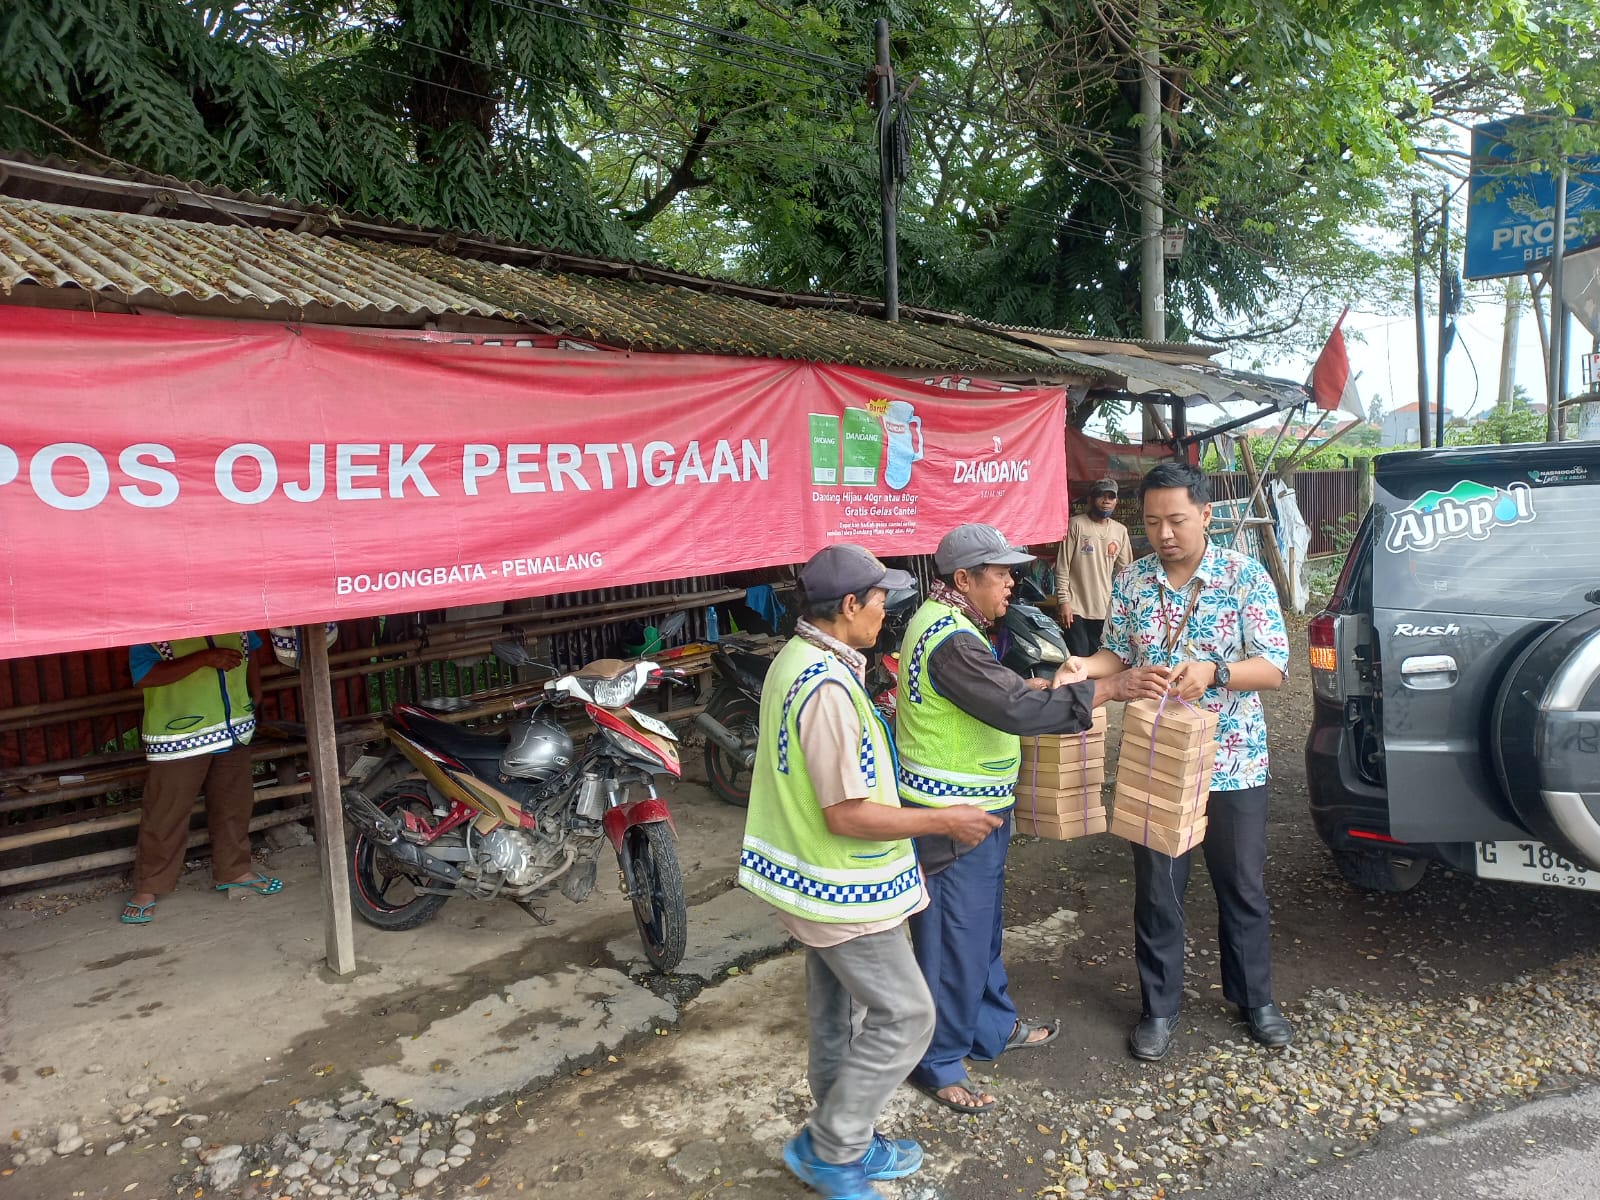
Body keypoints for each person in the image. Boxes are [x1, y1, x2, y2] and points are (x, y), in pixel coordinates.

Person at [738, 544, 1002, 1200]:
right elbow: (847, 814)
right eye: (880, 599)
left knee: (841, 1018)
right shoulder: (825, 688)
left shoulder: (796, 660)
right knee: (909, 1016)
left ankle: (845, 1139)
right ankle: (832, 1151)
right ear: (849, 605)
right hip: (843, 886)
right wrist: (944, 821)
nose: (887, 610)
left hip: (811, 882)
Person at [896, 524, 1169, 1114]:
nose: (1013, 582)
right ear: (963, 579)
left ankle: (990, 1028)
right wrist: (1108, 687)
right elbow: (1012, 707)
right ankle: (938, 1059)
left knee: (982, 930)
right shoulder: (948, 637)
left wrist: (1050, 682)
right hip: (950, 816)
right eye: (1001, 573)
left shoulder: (959, 627)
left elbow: (998, 691)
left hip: (979, 811)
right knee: (952, 938)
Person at [1077, 461, 1292, 1061]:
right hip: (1158, 761)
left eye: (1176, 519)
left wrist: (1216, 672)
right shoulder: (1134, 581)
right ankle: (1160, 1008)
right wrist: (1082, 669)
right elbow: (1115, 652)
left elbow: (1273, 666)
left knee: (1242, 884)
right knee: (1158, 887)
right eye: (1151, 522)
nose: (1164, 532)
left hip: (1234, 760)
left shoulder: (1244, 575)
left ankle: (1256, 1001)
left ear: (1205, 515)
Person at [120, 633, 282, 924]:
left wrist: (254, 693)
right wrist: (203, 659)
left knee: (234, 804)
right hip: (178, 737)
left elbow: (252, 653)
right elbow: (144, 675)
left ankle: (235, 870)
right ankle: (148, 886)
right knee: (165, 813)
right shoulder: (153, 627)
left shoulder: (237, 619)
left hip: (234, 730)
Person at [1055, 477, 1133, 657]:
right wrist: (1064, 602)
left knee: (1101, 661)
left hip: (1105, 610)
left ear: (1116, 501)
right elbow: (1062, 567)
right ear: (1090, 499)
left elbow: (1127, 573)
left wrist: (1125, 607)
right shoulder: (1075, 525)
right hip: (1076, 609)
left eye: (1110, 497)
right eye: (1101, 496)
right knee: (1079, 661)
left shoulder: (1120, 531)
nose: (1106, 501)